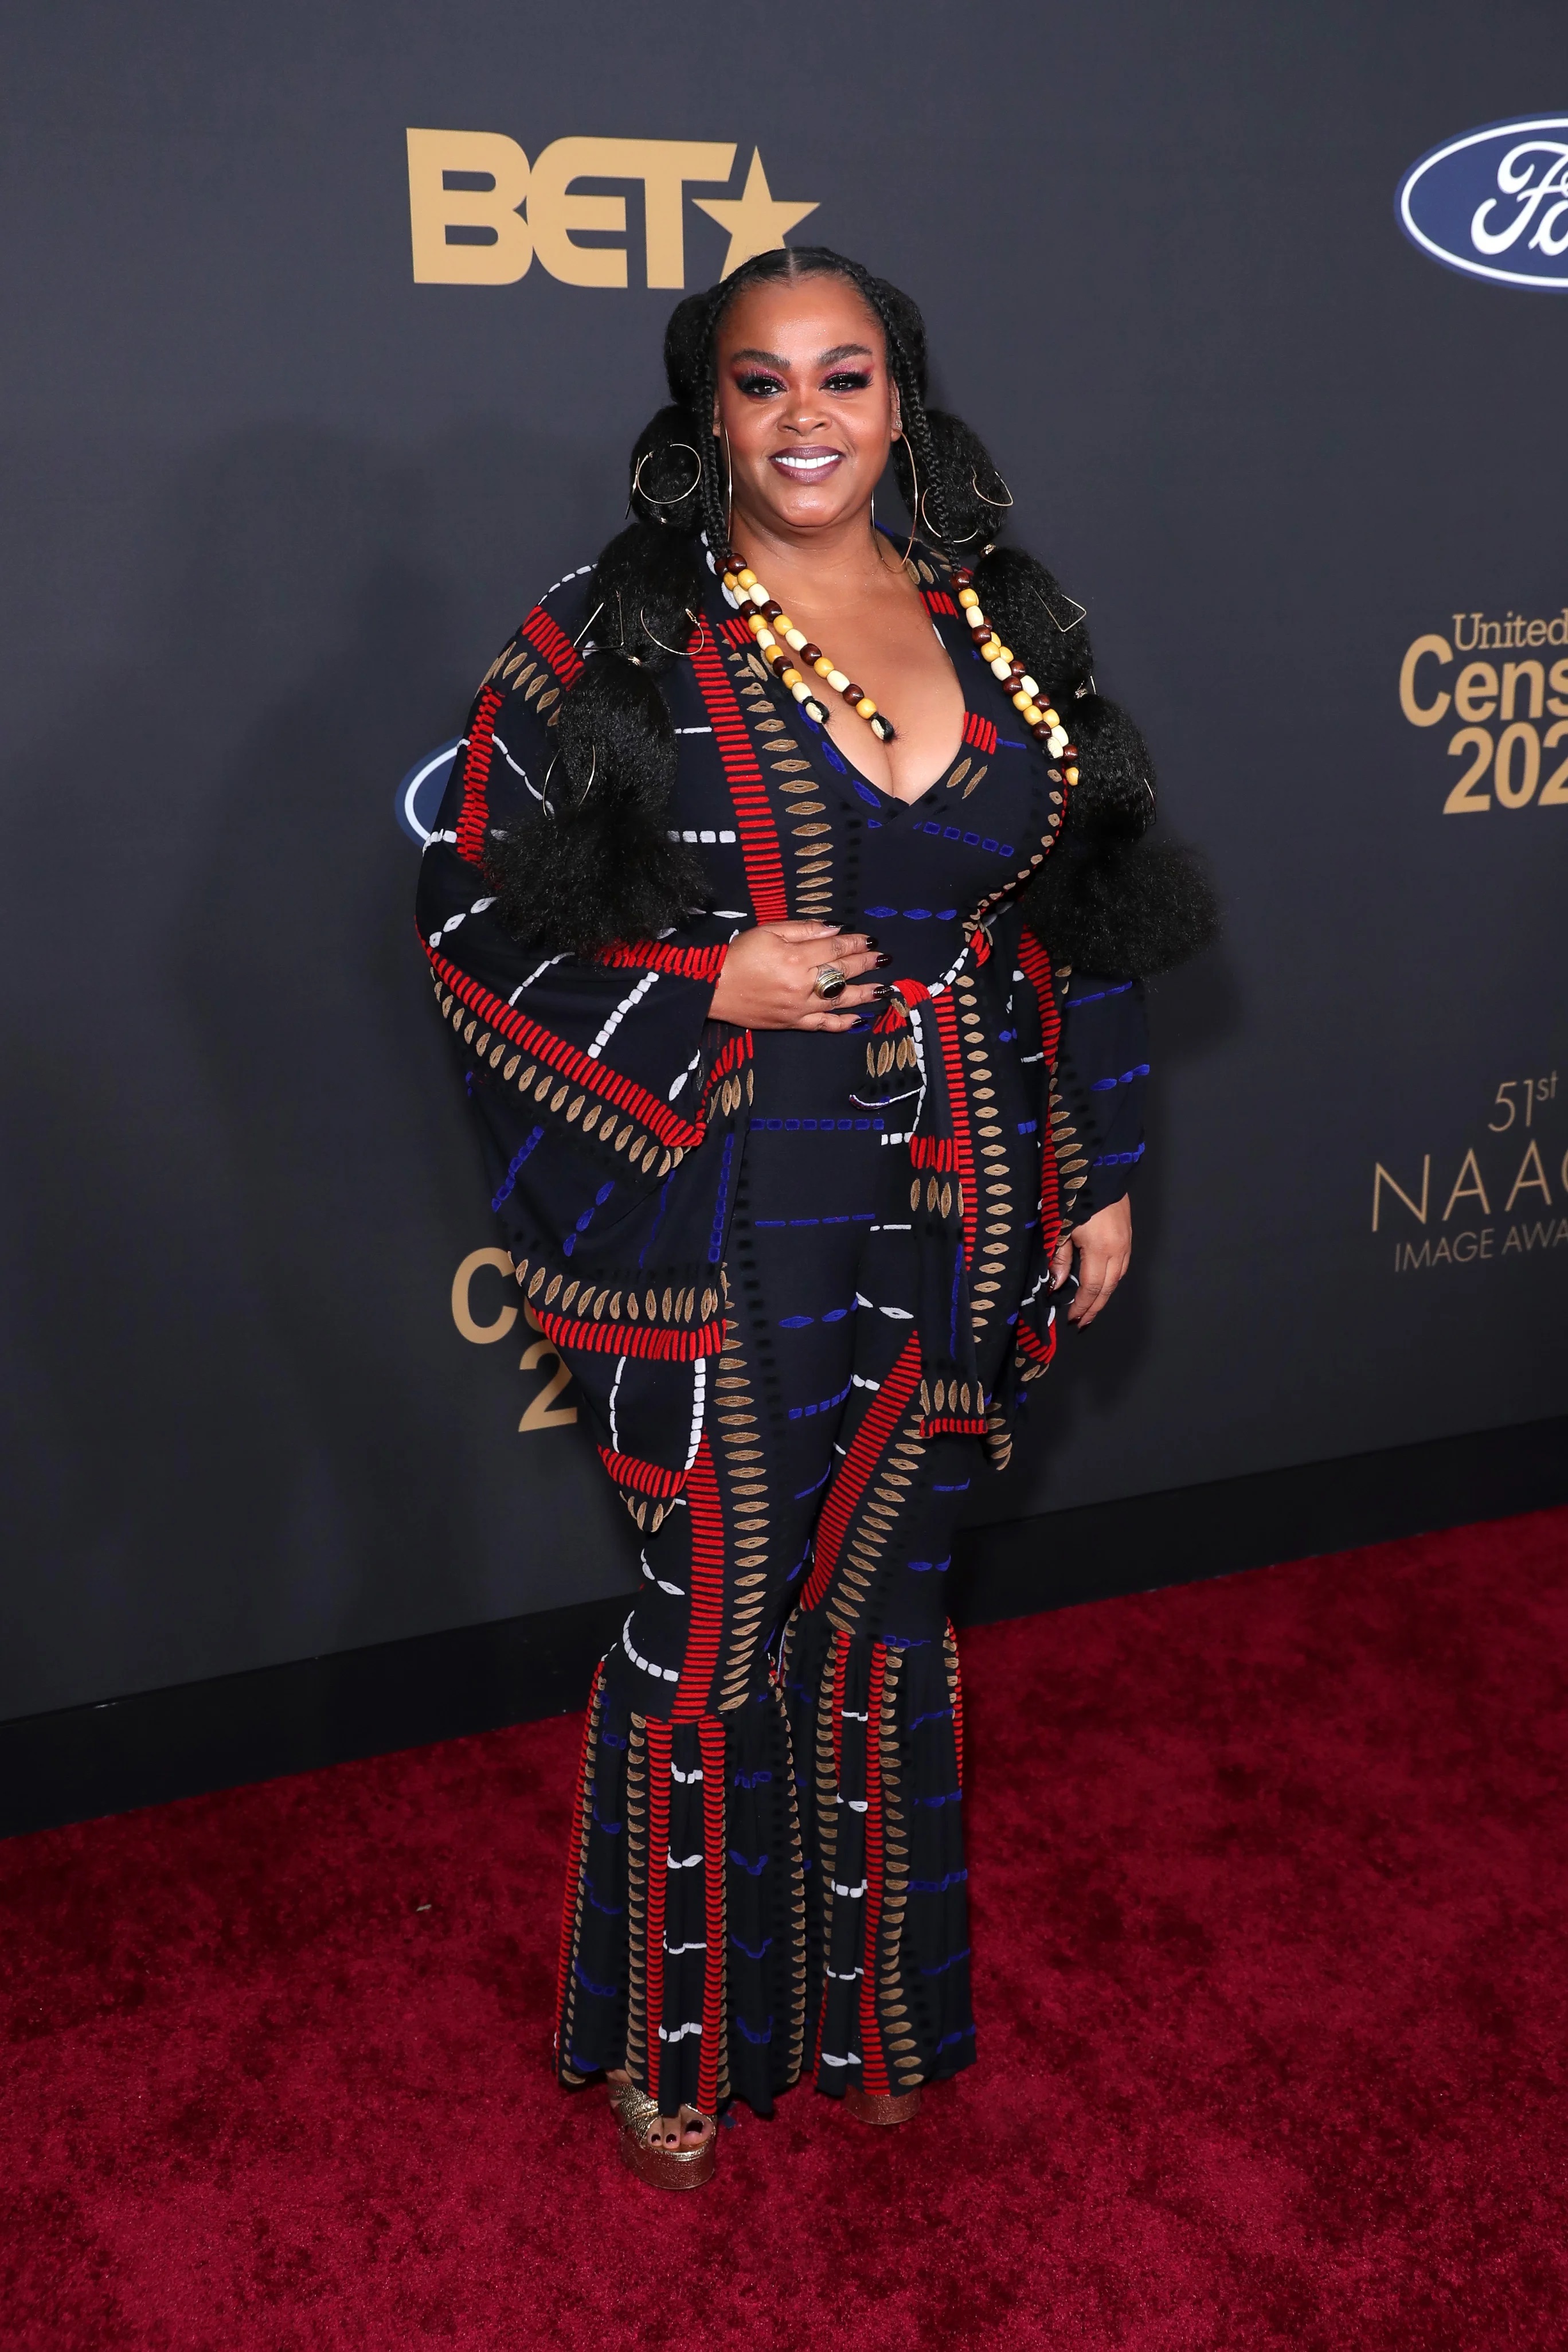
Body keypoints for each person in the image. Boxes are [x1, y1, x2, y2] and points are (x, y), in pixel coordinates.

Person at [415, 247, 1214, 2187]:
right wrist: (705, 980)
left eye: (843, 376)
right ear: (708, 412)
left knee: (885, 1600)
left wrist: (1103, 1167)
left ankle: (873, 2012)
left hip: (962, 1182)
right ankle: (674, 2041)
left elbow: (1083, 919)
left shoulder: (1003, 621)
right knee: (716, 1600)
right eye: (761, 380)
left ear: (901, 400)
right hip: (724, 1185)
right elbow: (469, 903)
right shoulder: (616, 633)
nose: (805, 418)